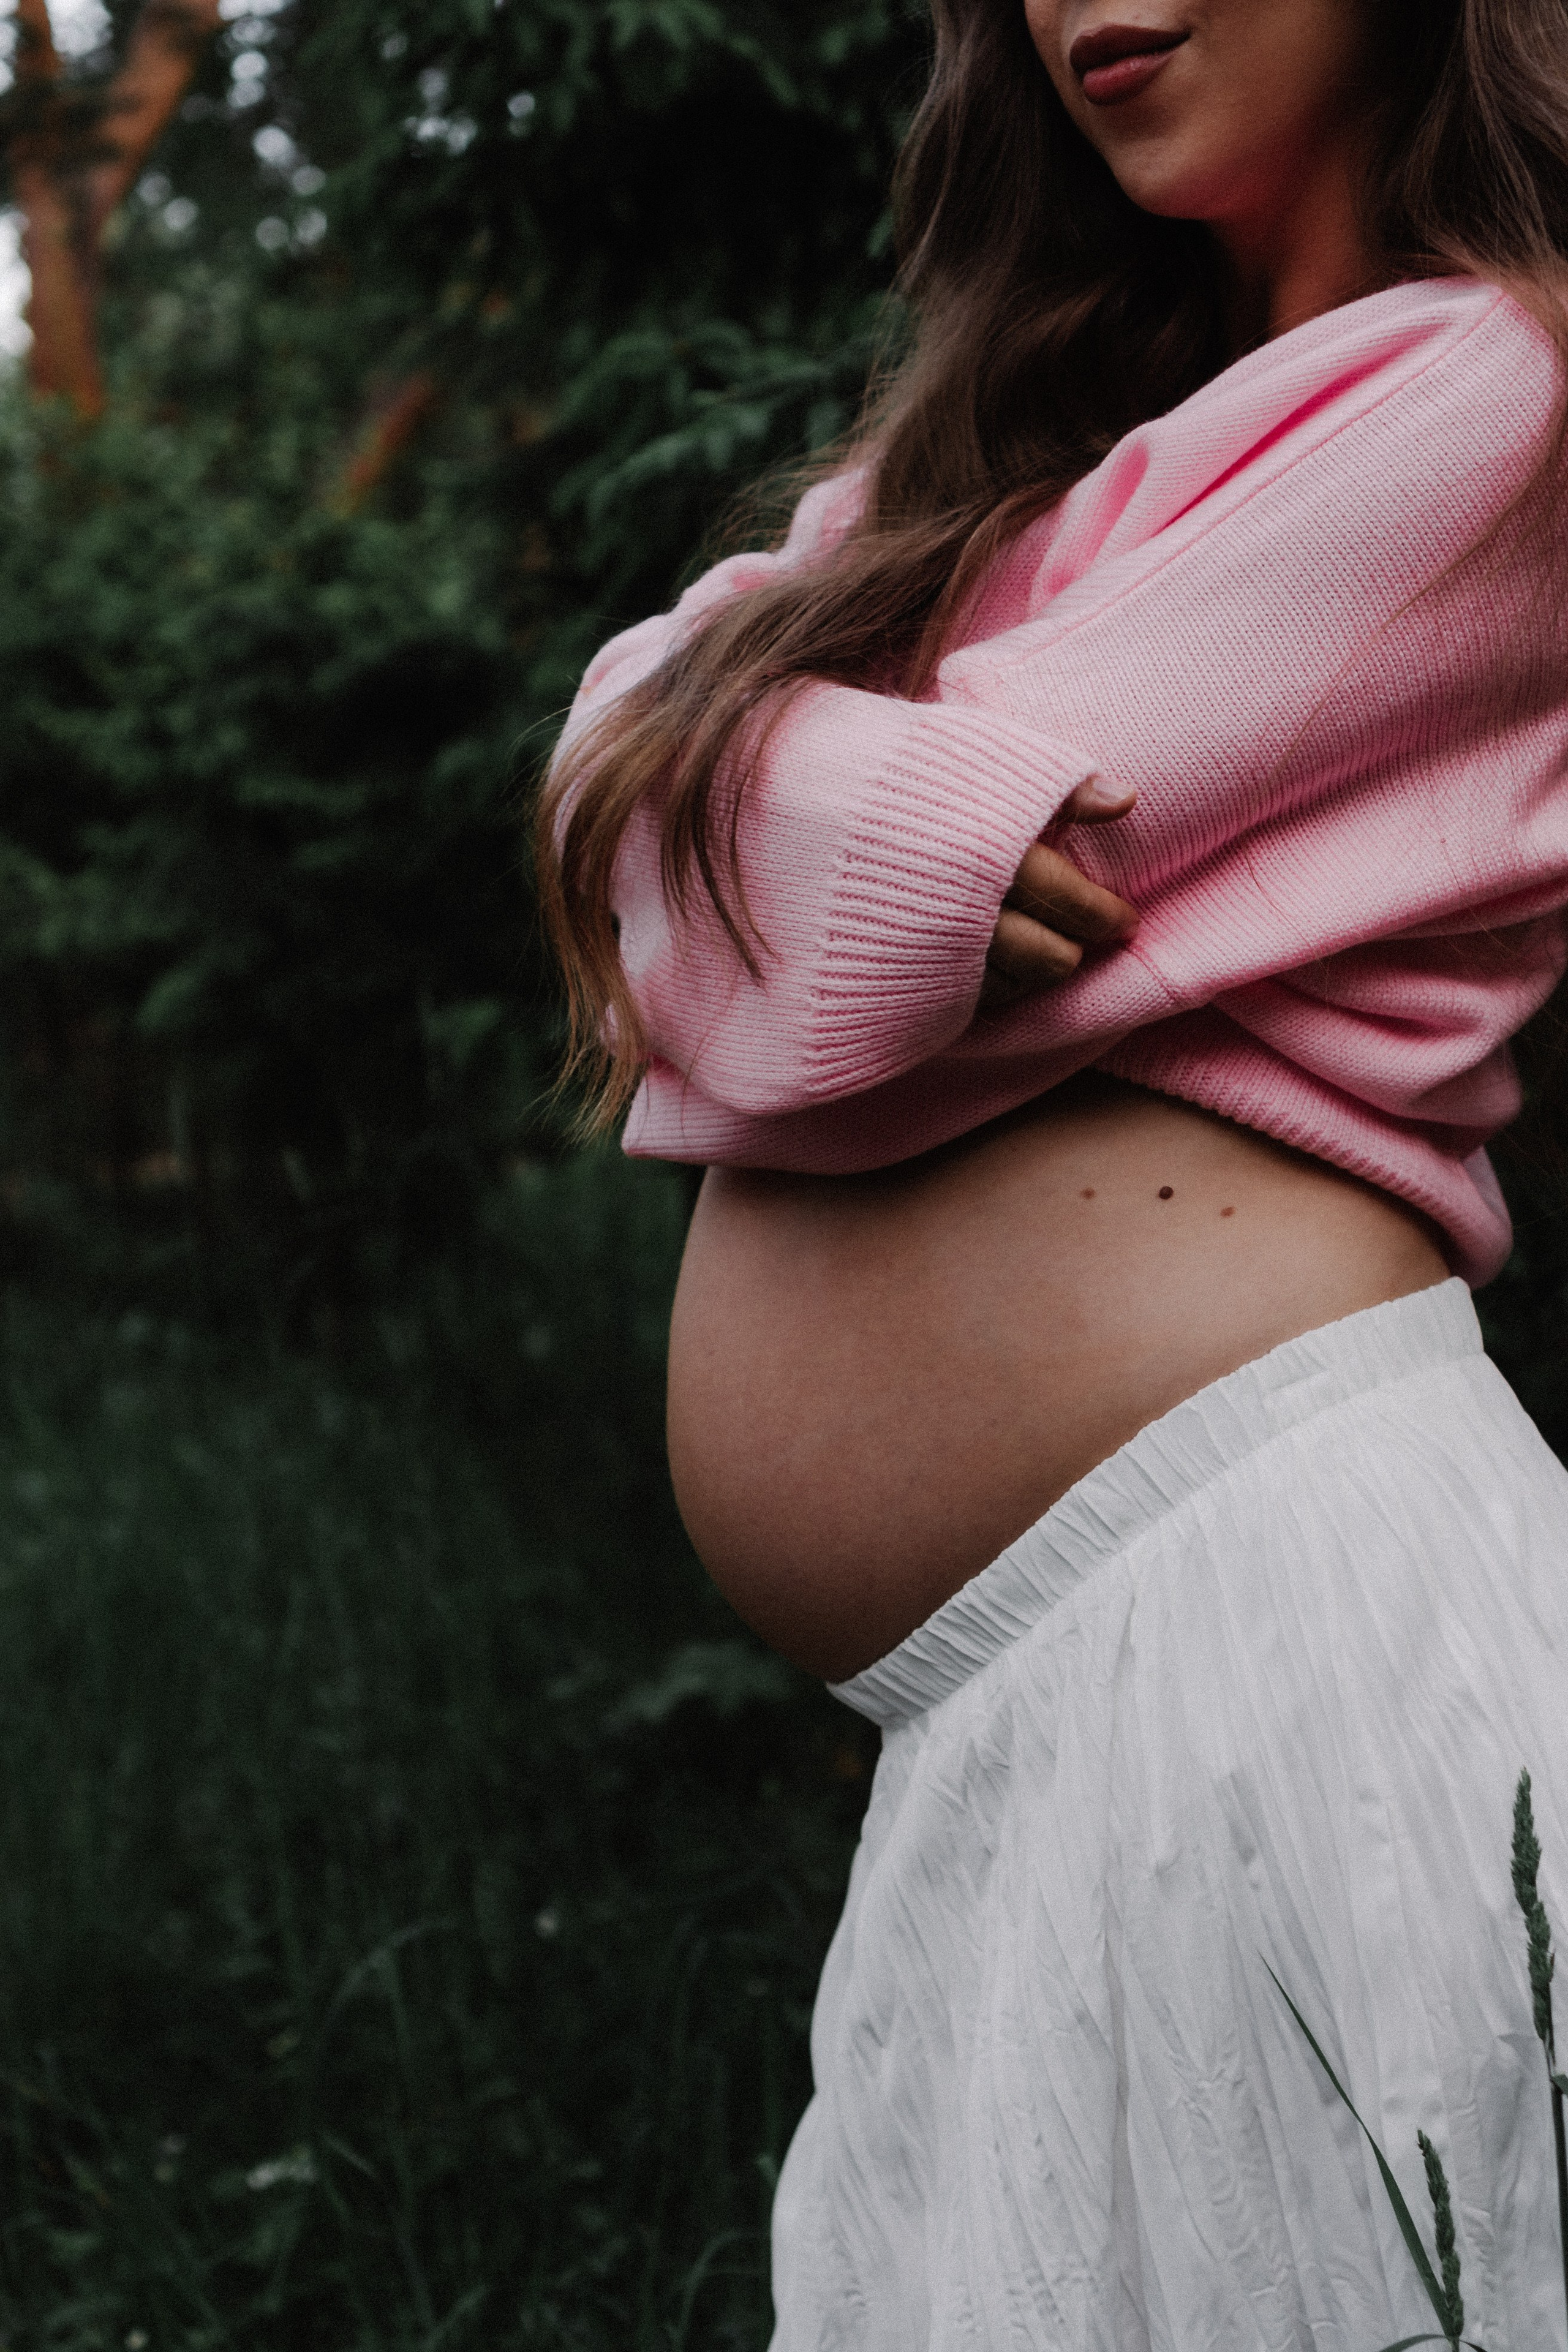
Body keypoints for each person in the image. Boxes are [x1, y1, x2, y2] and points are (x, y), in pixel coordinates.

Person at [538, 1, 1568, 2342]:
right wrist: (805, 798)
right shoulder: (1040, 450)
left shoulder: (1501, 387)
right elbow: (614, 753)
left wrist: (751, 798)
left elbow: (876, 937)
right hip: (1049, 1723)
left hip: (1280, 1642)